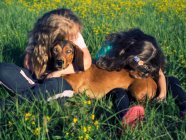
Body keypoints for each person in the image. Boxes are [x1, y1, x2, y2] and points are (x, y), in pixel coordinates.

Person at [95, 28, 186, 128]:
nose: (144, 72)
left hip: (144, 85)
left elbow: (160, 74)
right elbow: (97, 69)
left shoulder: (150, 52)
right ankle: (125, 118)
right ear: (130, 56)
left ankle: (184, 107)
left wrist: (162, 94)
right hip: (119, 84)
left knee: (171, 80)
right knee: (119, 92)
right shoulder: (112, 48)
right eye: (140, 68)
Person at [0, 8, 91, 102]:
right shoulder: (38, 34)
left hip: (59, 79)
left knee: (56, 85)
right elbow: (27, 63)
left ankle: (11, 103)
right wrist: (41, 72)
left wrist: (57, 73)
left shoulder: (73, 33)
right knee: (2, 69)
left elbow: (87, 62)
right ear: (52, 33)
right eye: (67, 35)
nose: (71, 37)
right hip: (35, 77)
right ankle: (40, 93)